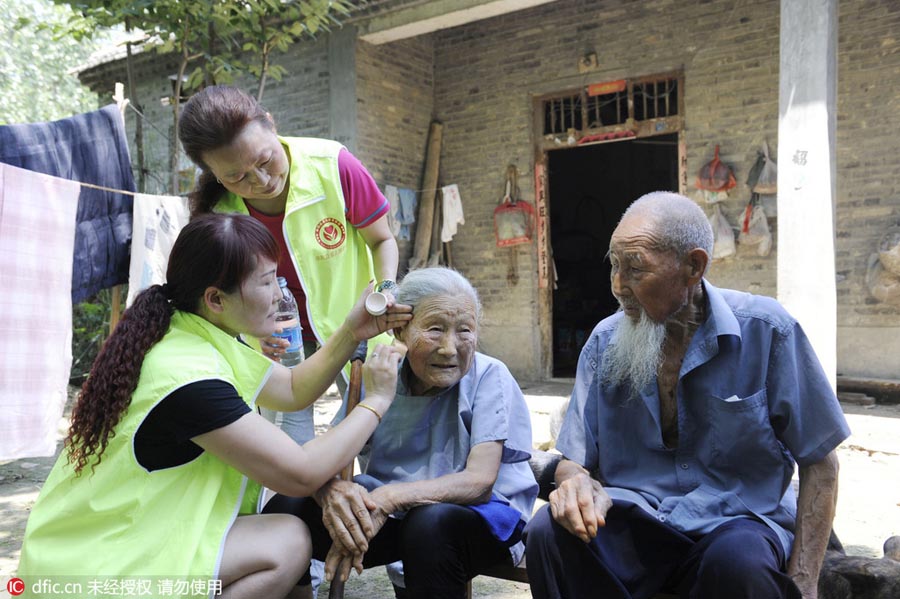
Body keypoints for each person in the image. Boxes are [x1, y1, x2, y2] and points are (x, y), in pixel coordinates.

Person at [17, 214, 411, 599]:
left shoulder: (191, 331)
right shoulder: (189, 377)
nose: (280, 294)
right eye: (266, 281)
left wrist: (350, 331)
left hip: (110, 536)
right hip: (102, 565)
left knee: (280, 531)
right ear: (215, 299)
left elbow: (291, 388)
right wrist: (376, 401)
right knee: (287, 543)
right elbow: (301, 473)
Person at [524, 192, 850, 599]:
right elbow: (575, 460)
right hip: (635, 518)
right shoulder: (604, 343)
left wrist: (804, 582)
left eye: (635, 268)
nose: (617, 286)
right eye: (614, 266)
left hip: (735, 522)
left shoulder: (768, 331)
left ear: (693, 266)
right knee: (549, 533)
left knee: (736, 564)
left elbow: (821, 464)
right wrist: (574, 484)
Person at [268, 267, 539, 599]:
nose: (450, 348)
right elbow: (326, 456)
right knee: (288, 507)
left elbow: (479, 482)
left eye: (465, 330)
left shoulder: (489, 375)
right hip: (393, 515)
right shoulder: (383, 375)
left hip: (480, 517)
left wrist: (388, 499)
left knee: (429, 524)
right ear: (401, 332)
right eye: (435, 329)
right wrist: (330, 493)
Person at [178, 84, 399, 448]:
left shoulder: (333, 165)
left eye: (264, 161)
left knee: (374, 439)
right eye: (236, 176)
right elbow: (220, 301)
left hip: (359, 326)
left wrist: (386, 290)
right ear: (213, 174)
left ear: (270, 123)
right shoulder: (218, 216)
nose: (260, 181)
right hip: (279, 344)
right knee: (289, 451)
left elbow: (382, 239)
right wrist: (254, 334)